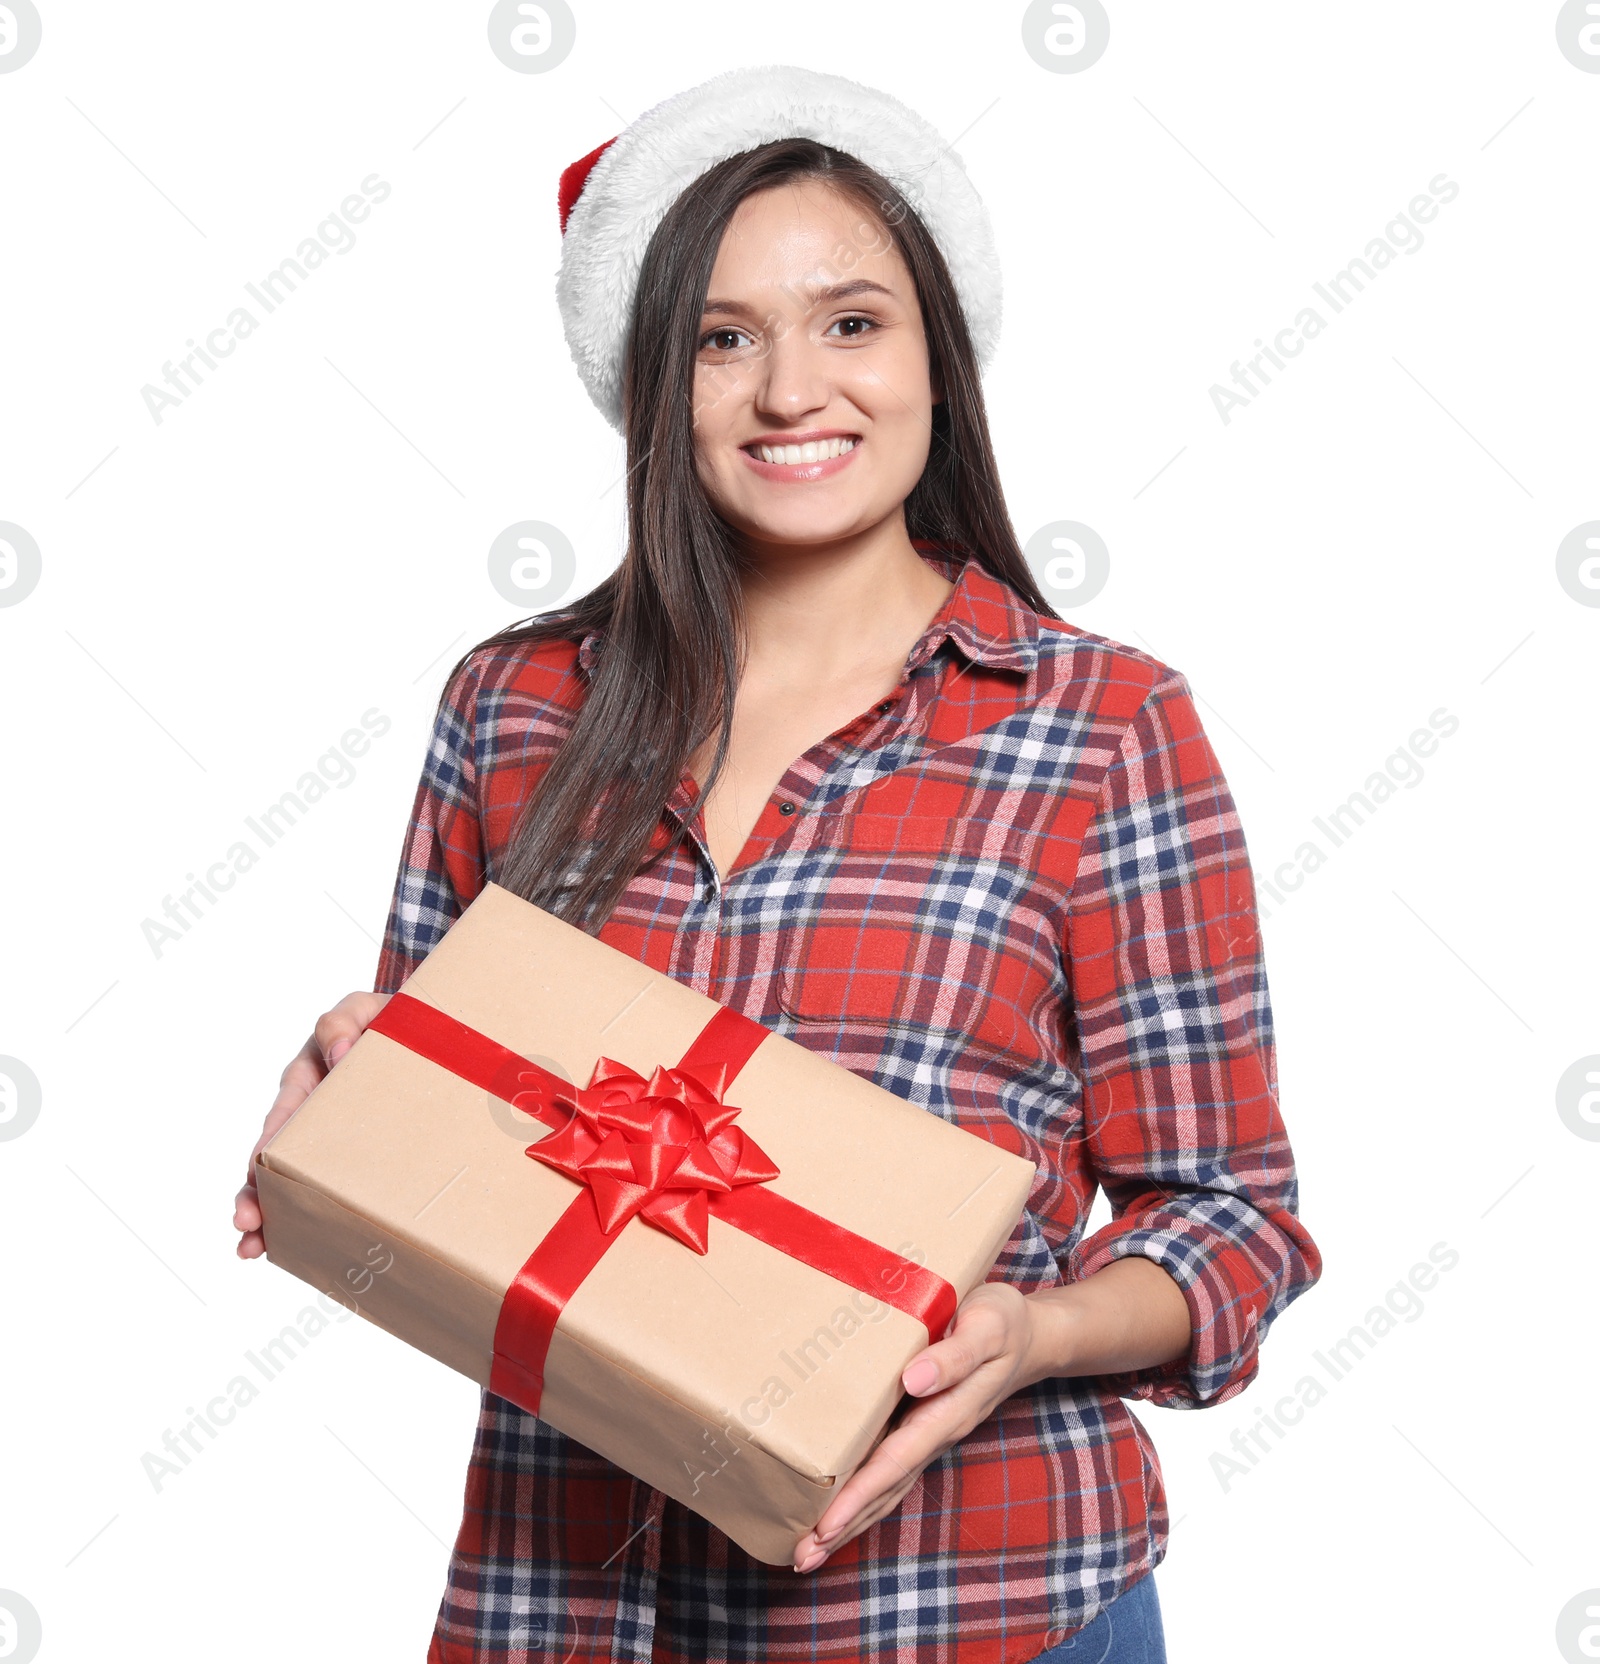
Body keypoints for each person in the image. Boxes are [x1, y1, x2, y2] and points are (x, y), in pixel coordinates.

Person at [233, 65, 1322, 1664]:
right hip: (577, 1609)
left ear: (938, 360)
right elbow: (454, 1145)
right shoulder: (516, 709)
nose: (790, 389)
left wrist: (1022, 1338)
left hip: (972, 1608)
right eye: (721, 338)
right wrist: (347, 1099)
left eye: (851, 323)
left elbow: (1233, 1220)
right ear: (650, 383)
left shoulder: (1101, 728)